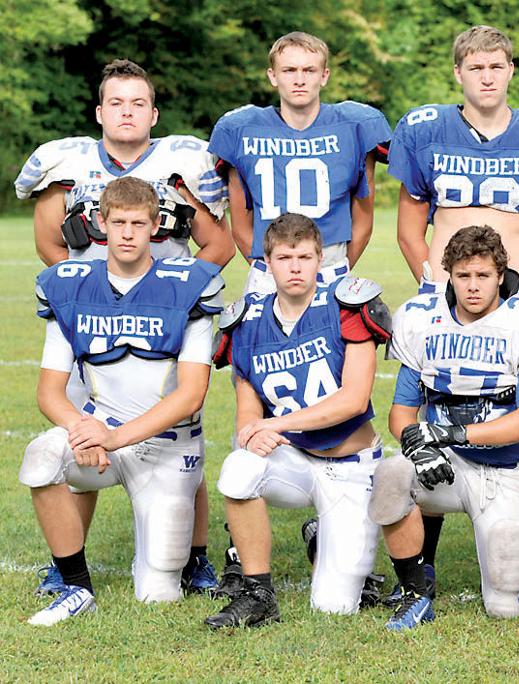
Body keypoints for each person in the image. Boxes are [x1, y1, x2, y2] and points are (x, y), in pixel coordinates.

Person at [13, 58, 233, 598]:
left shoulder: (180, 166)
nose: (127, 112)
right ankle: (67, 560)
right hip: (90, 324)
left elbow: (219, 244)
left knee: (184, 439)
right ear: (99, 111)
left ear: (154, 113)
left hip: (164, 330)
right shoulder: (67, 164)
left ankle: (196, 557)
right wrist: (90, 296)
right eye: (117, 102)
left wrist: (172, 295)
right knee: (79, 432)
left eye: (138, 103)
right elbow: (51, 247)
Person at [388, 25, 519, 591]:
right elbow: (410, 229)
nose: (487, 77)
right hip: (445, 290)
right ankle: (421, 560)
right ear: (459, 73)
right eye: (476, 68)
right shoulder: (427, 129)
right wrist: (434, 290)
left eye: (497, 66)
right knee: (438, 395)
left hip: (517, 293)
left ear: (511, 71)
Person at [20, 177, 223, 625]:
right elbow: (49, 391)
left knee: (157, 593)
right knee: (40, 458)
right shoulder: (70, 285)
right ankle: (75, 585)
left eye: (137, 222)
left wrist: (111, 438)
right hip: (99, 433)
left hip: (168, 447)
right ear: (101, 225)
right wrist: (82, 429)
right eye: (119, 222)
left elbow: (191, 395)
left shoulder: (188, 284)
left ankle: (176, 561)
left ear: (156, 227)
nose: (128, 232)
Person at [368, 224, 519, 631]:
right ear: (448, 275)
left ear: (501, 276)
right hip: (448, 465)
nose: (473, 286)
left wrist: (452, 435)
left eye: (483, 276)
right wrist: (418, 445)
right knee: (390, 473)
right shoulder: (423, 323)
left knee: (506, 603)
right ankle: (416, 592)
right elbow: (401, 411)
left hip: (511, 471)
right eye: (463, 275)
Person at [204, 214, 392, 628]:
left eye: (304, 256)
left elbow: (353, 399)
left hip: (350, 465)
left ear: (320, 259)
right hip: (295, 461)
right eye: (285, 257)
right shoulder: (247, 322)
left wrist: (277, 425)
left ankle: (320, 538)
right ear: (266, 262)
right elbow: (248, 407)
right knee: (238, 466)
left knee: (333, 607)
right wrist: (253, 433)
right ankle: (257, 592)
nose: (295, 266)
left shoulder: (346, 306)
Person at [209, 31, 391, 296]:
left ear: (324, 75)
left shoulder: (355, 125)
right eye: (289, 70)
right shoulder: (240, 128)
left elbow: (363, 217)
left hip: (330, 268)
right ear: (273, 76)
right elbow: (240, 222)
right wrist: (273, 269)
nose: (299, 80)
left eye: (309, 70)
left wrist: (336, 267)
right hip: (268, 272)